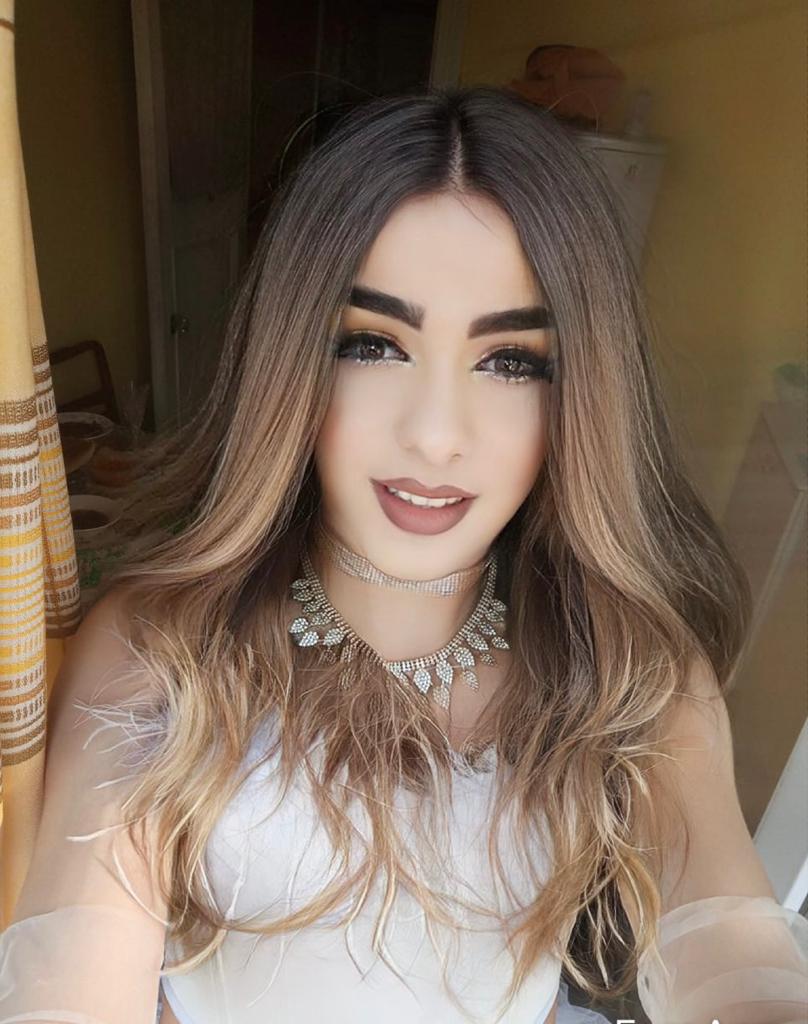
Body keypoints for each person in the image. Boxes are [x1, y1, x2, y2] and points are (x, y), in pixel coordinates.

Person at [1, 86, 806, 1024]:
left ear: (583, 391)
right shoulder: (159, 644)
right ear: (290, 357)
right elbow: (73, 968)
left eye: (511, 360)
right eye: (374, 345)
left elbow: (730, 944)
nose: (434, 436)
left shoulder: (629, 665)